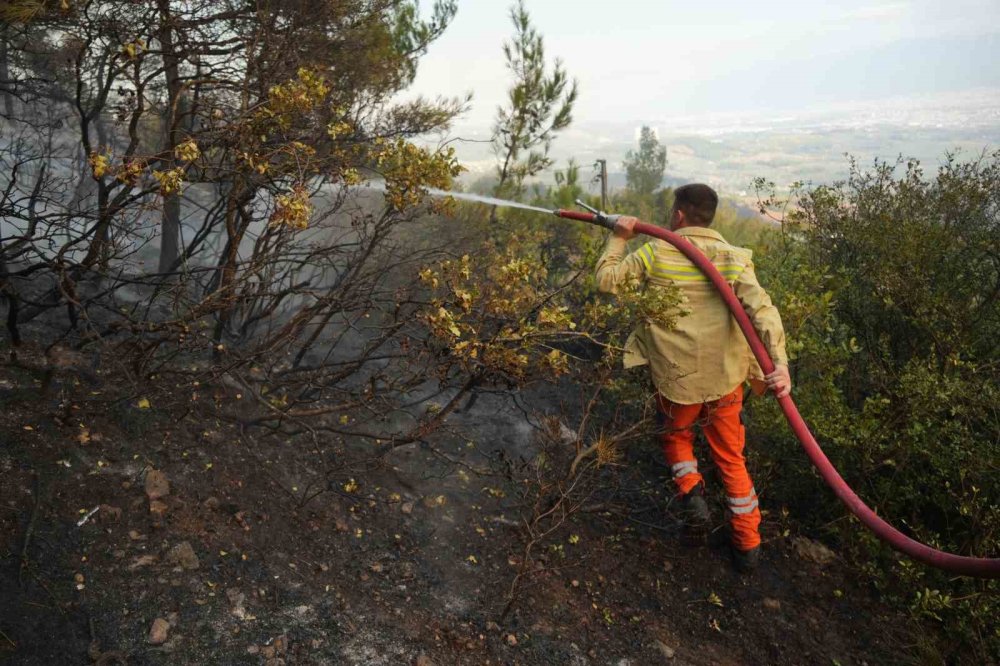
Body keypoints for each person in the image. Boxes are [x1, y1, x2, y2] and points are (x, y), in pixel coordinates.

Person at [595, 183, 790, 572]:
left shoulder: (656, 251)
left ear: (679, 215)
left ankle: (691, 490)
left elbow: (606, 281)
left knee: (674, 436)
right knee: (732, 458)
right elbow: (763, 311)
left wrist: (618, 238)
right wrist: (780, 363)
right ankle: (748, 547)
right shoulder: (734, 258)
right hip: (726, 380)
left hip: (676, 380)